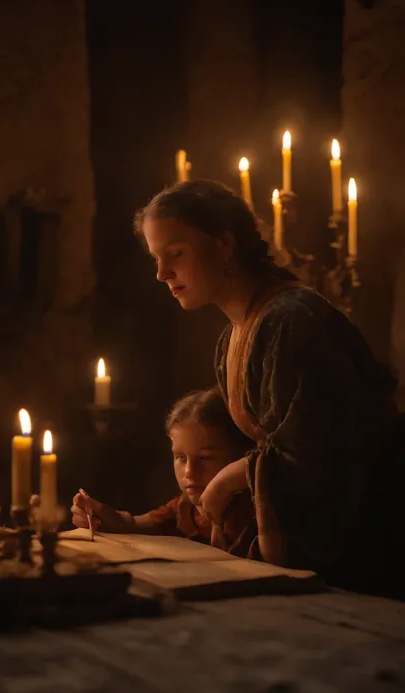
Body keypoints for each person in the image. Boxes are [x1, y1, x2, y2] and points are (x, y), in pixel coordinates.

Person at [134, 179, 405, 598]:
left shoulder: (291, 320)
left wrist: (229, 479)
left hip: (368, 537)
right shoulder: (232, 338)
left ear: (224, 244)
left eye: (176, 254)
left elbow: (319, 456)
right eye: (156, 258)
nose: (161, 273)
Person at [71, 388, 257, 557]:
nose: (189, 472)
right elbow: (134, 524)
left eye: (205, 458)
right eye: (181, 458)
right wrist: (100, 514)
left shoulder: (252, 510)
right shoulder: (185, 507)